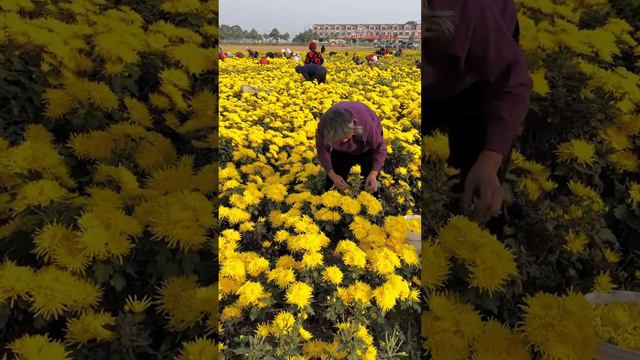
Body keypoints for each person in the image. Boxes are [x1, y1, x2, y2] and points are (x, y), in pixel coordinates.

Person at [422, 0, 532, 223]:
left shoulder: (467, 9)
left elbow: (510, 81)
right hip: (440, 47)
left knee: (476, 177)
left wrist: (490, 160)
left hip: (480, 60)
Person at [316, 102, 386, 193]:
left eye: (346, 138)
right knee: (333, 182)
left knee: (370, 183)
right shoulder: (325, 126)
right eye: (339, 140)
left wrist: (373, 173)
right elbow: (322, 150)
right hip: (340, 150)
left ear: (354, 123)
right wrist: (333, 175)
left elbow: (380, 148)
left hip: (367, 147)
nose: (344, 142)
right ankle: (334, 202)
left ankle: (368, 201)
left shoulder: (366, 124)